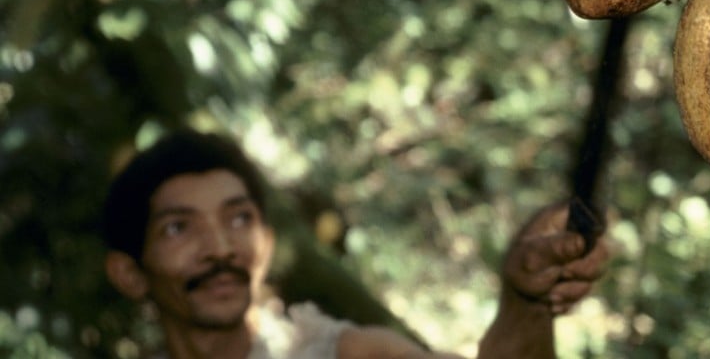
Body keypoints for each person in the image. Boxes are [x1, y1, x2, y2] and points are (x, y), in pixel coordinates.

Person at [102, 128, 608, 358]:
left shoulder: (343, 353)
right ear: (128, 272)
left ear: (268, 242)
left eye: (239, 219)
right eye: (178, 227)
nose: (220, 247)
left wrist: (525, 304)